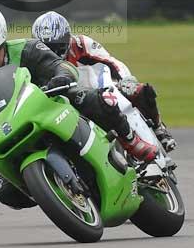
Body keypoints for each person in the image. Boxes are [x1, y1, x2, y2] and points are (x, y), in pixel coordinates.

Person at [0, 4, 158, 210]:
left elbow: (61, 65)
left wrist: (62, 77)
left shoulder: (28, 48)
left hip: (53, 102)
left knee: (99, 99)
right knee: (3, 190)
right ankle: (54, 192)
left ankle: (132, 141)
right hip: (15, 125)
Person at [31, 11, 177, 152]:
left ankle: (159, 129)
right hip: (69, 101)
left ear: (68, 37)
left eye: (58, 45)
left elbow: (111, 61)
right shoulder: (35, 58)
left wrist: (125, 79)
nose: (55, 52)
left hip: (99, 88)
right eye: (48, 48)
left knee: (141, 91)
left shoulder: (81, 44)